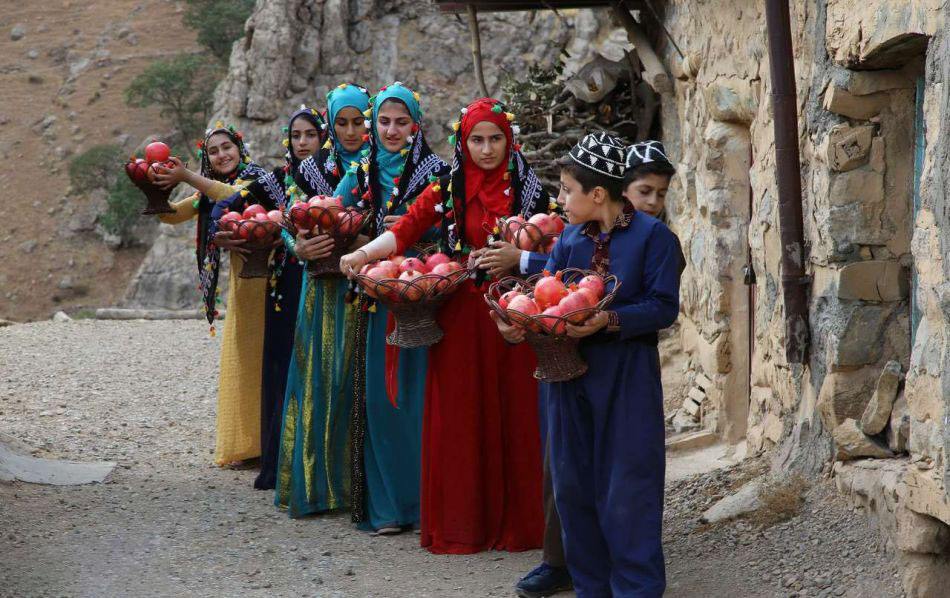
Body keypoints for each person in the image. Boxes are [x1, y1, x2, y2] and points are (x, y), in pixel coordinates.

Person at [340, 97, 547, 554]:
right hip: (459, 319)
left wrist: (520, 258)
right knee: (459, 416)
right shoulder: (445, 185)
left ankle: (522, 526)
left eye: (496, 139)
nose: (487, 149)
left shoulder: (529, 188)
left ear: (508, 140)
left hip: (514, 315)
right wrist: (360, 255)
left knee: (517, 414)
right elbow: (406, 230)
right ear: (463, 141)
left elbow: (555, 243)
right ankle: (463, 525)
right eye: (477, 139)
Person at [495, 132, 680, 596]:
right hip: (565, 376)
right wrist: (518, 326)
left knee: (627, 487)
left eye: (565, 190)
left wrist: (609, 319)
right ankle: (591, 588)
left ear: (597, 194)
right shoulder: (570, 240)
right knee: (573, 487)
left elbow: (663, 307)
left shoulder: (656, 239)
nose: (558, 200)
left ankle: (636, 590)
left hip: (626, 377)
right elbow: (545, 295)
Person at [334, 82, 449, 534]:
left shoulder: (439, 172)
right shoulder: (360, 172)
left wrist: (415, 239)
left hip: (427, 299)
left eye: (402, 122)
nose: (392, 130)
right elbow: (324, 216)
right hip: (376, 302)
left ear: (416, 124)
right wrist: (357, 236)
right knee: (382, 402)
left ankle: (430, 504)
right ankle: (388, 508)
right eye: (383, 121)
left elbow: (454, 237)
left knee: (423, 400)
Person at [209, 106, 330, 489]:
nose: (303, 143)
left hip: (328, 283)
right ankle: (281, 462)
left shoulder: (339, 176)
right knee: (283, 367)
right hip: (286, 283)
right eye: (296, 136)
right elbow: (227, 207)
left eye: (310, 135)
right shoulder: (279, 180)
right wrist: (222, 232)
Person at [273, 83, 371, 518]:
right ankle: (317, 486)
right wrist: (297, 247)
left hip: (367, 285)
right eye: (342, 123)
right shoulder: (310, 169)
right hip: (322, 290)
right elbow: (285, 220)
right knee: (320, 377)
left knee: (358, 381)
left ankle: (360, 489)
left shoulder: (384, 165)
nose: (350, 132)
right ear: (330, 124)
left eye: (358, 122)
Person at [152, 123, 268, 467]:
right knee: (244, 365)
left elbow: (232, 197)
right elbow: (171, 217)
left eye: (226, 147)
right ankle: (249, 446)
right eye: (213, 151)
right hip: (244, 287)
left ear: (240, 148)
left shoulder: (259, 180)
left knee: (265, 362)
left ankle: (268, 443)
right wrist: (153, 190)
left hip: (271, 283)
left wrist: (187, 175)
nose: (221, 155)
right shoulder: (206, 192)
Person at [623, 140, 686, 275]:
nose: (653, 201)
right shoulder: (600, 236)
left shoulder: (665, 242)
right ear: (621, 190)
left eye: (661, 194)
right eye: (644, 191)